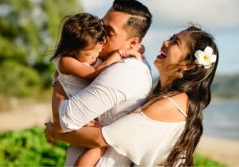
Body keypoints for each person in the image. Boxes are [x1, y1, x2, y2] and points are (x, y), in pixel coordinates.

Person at [45, 25, 219, 166]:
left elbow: (101, 138)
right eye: (171, 37)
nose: (165, 42)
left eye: (175, 42)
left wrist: (54, 131)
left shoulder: (170, 104)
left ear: (188, 65)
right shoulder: (164, 95)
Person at [50, 0, 153, 166]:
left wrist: (53, 131)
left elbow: (64, 121)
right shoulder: (101, 58)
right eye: (101, 26)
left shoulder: (125, 70)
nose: (100, 36)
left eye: (109, 32)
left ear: (133, 43)